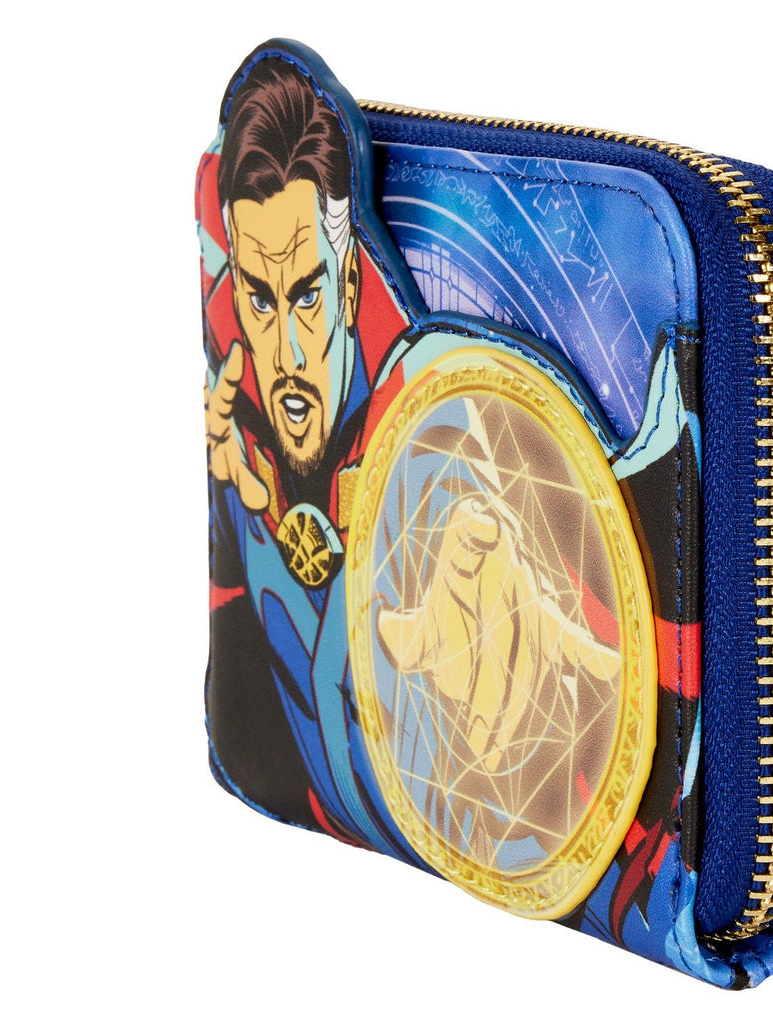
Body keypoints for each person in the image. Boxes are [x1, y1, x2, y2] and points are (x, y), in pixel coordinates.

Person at [201, 55, 619, 866]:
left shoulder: (431, 416)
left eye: (308, 296)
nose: (286, 352)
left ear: (353, 284)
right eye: (259, 298)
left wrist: (472, 563)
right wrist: (238, 509)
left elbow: (460, 493)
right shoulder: (235, 410)